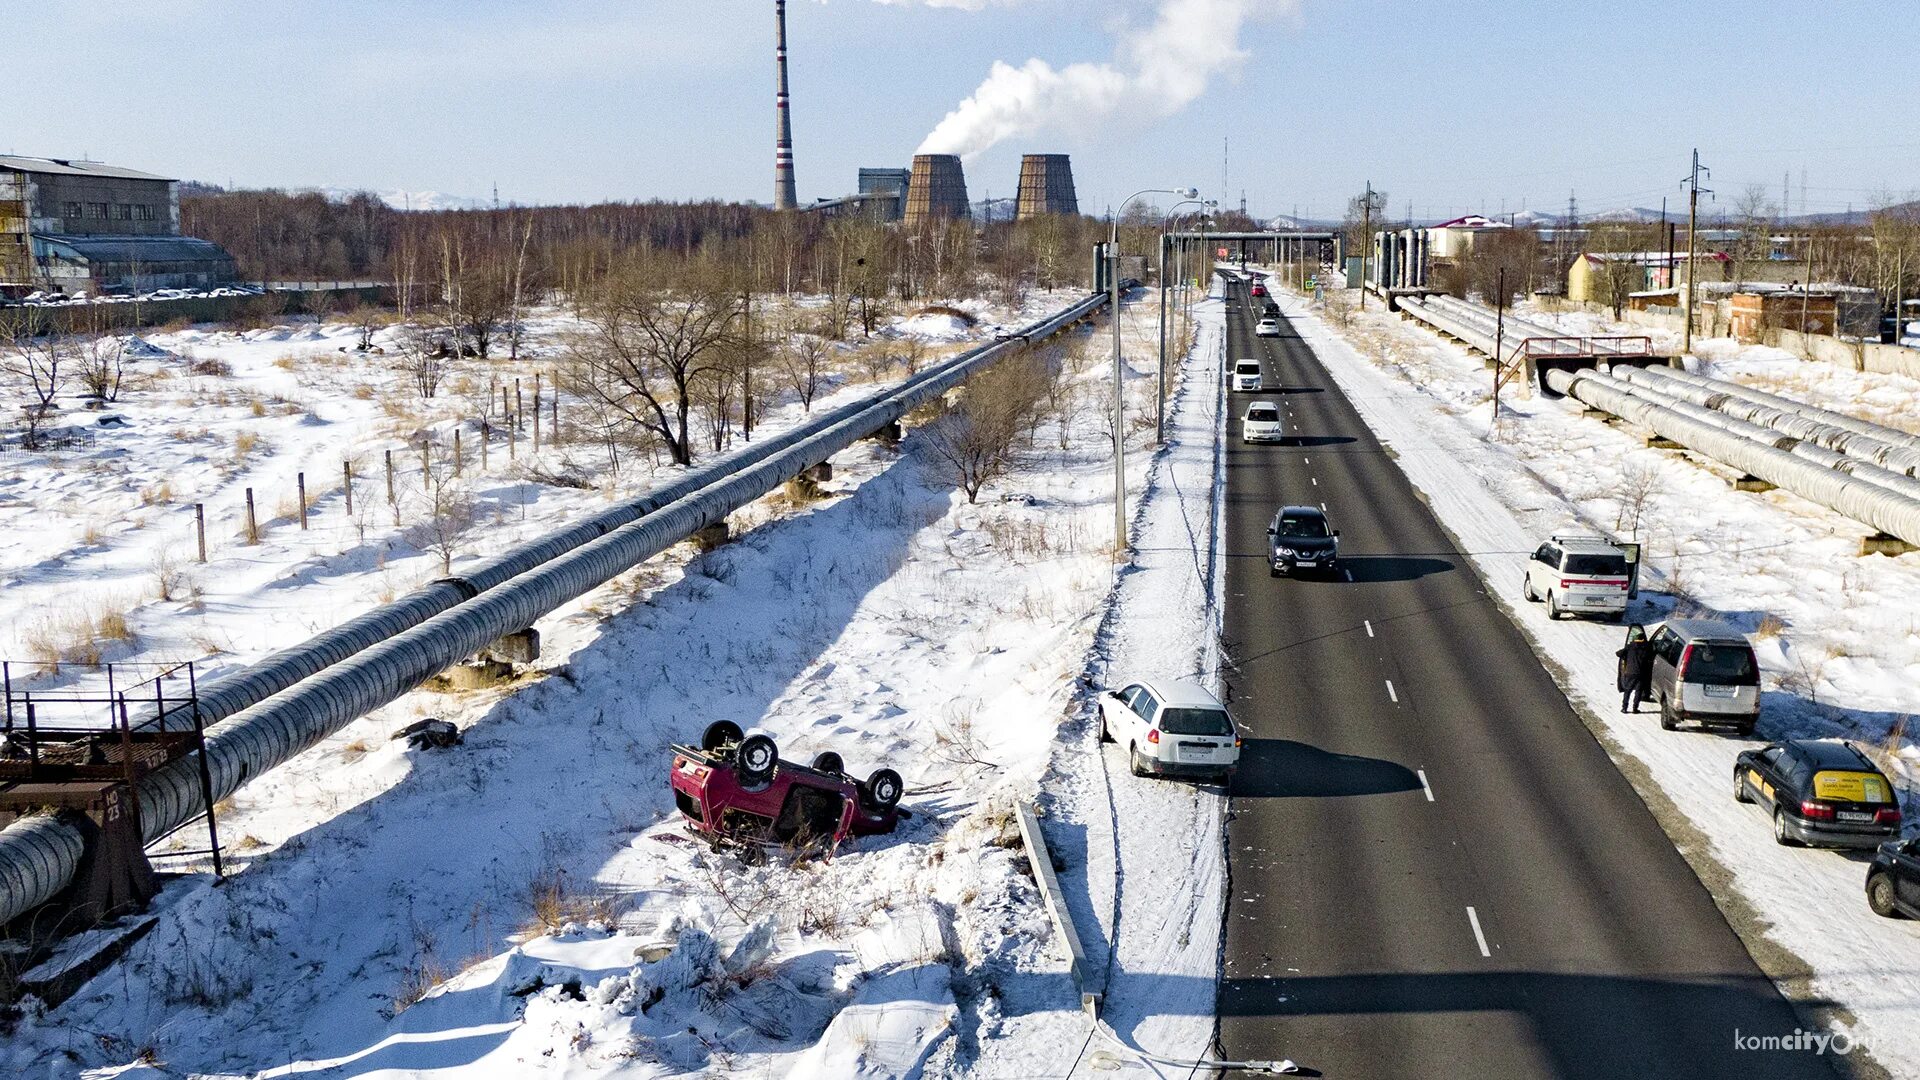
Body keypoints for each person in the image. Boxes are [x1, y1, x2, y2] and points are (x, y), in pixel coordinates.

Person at [1617, 624, 1653, 713]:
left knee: (1627, 691)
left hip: (1629, 672)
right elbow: (1650, 658)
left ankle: (1624, 708)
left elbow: (1618, 653)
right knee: (1638, 691)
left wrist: (1625, 657)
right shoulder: (1646, 649)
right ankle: (1635, 708)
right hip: (1641, 674)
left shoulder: (1629, 648)